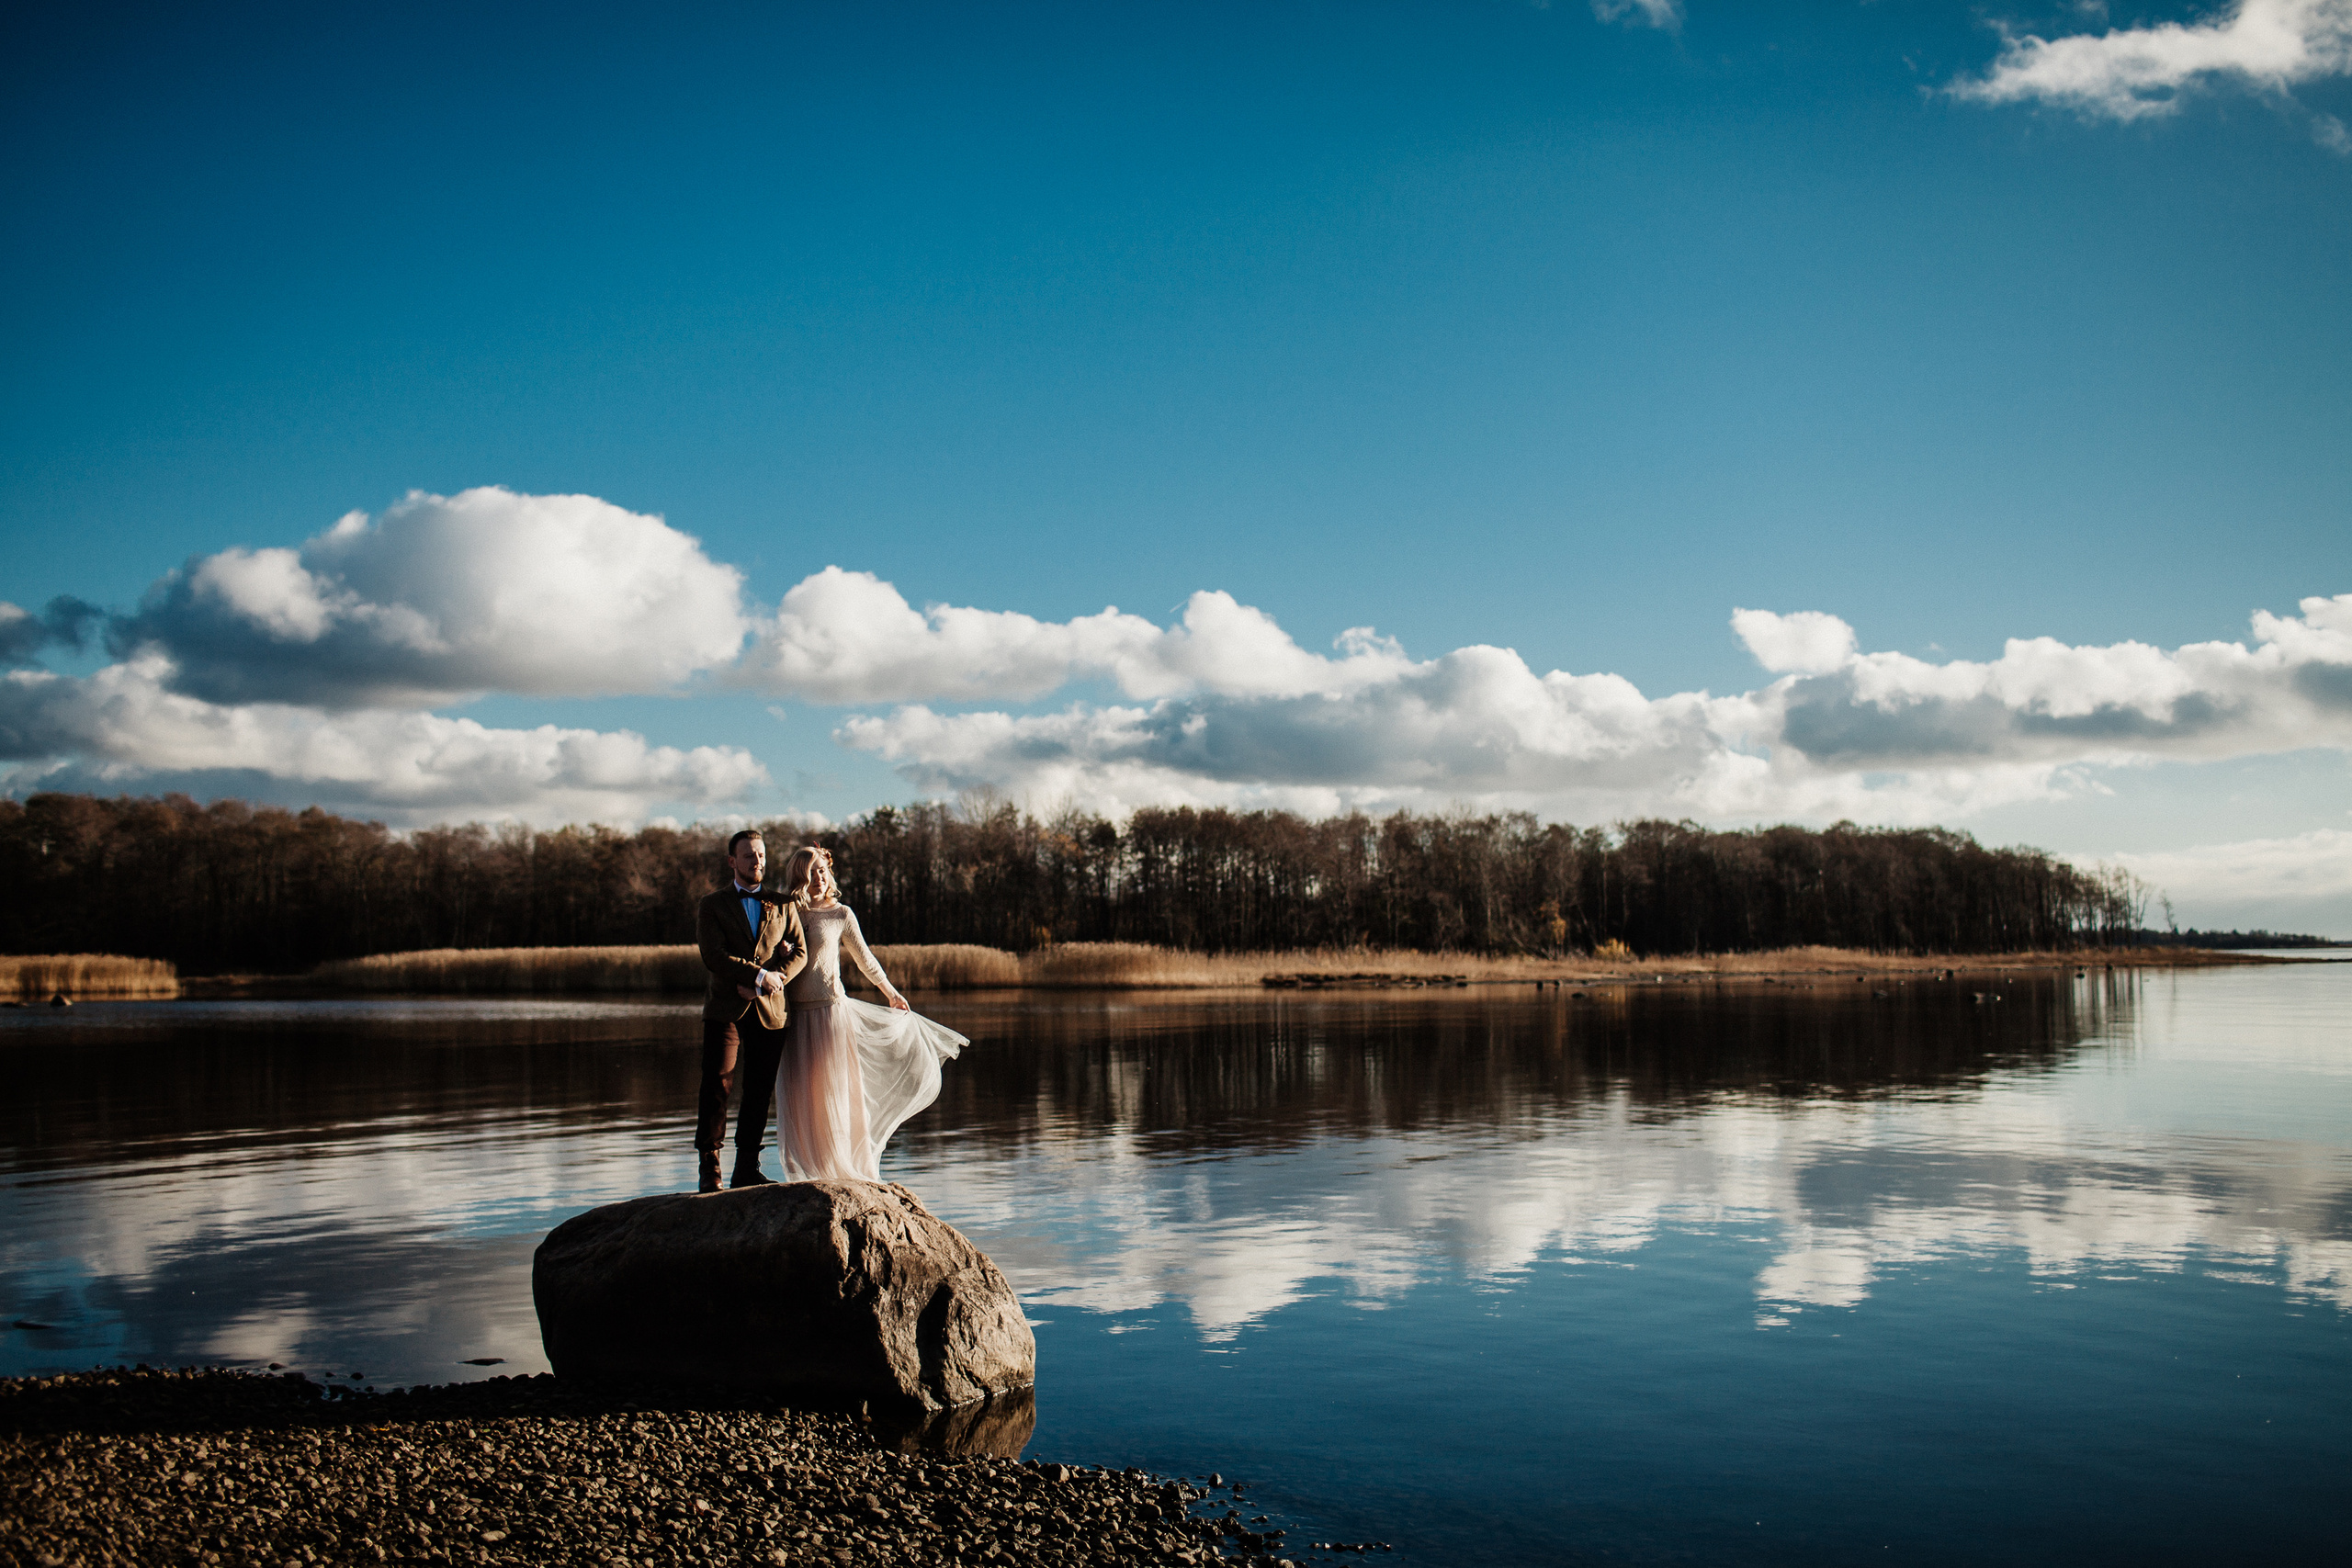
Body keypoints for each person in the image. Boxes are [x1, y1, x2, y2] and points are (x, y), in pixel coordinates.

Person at [772, 844, 968, 1182]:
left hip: (830, 1014)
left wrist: (891, 993)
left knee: (834, 1092)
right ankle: (813, 1171)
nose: (818, 878)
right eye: (810, 873)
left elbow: (866, 960)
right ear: (798, 878)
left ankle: (846, 1167)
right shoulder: (787, 911)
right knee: (803, 1095)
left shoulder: (840, 914)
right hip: (795, 1016)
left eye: (822, 871)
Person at [693, 829, 808, 1193]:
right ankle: (710, 1170)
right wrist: (757, 975)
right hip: (725, 1009)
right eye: (748, 856)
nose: (757, 861)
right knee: (717, 1086)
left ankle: (746, 1169)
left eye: (760, 855)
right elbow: (714, 956)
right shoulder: (712, 905)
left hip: (770, 1012)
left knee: (758, 1091)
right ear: (732, 861)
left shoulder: (783, 903)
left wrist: (773, 980)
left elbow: (801, 952)